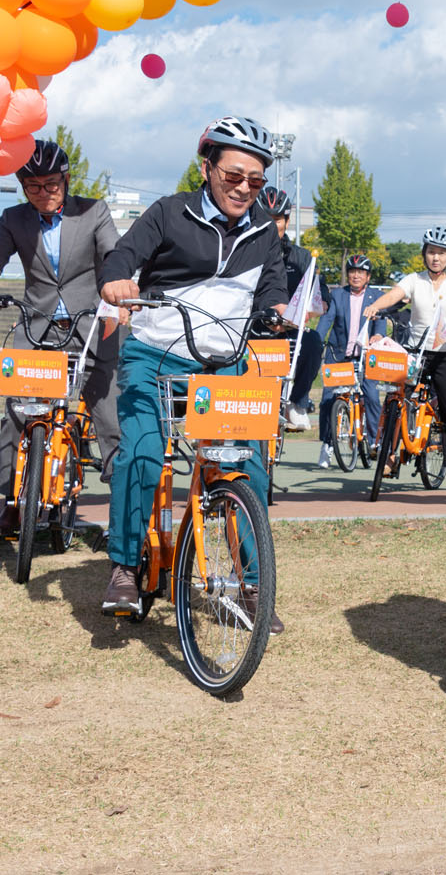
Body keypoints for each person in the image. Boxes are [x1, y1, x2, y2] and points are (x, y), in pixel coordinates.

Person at [97, 115, 287, 631]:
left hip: (225, 363)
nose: (244, 188)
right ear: (207, 168)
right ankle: (124, 567)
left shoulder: (264, 229)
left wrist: (278, 309)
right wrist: (117, 281)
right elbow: (122, 257)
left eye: (255, 181)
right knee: (142, 452)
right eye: (234, 176)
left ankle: (254, 584)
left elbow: (272, 285)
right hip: (156, 355)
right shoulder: (169, 212)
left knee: (248, 466)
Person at [0, 139, 122, 534]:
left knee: (110, 416)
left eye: (52, 184)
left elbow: (112, 254)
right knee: (16, 414)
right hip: (37, 326)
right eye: (33, 186)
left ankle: (124, 509)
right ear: (23, 186)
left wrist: (117, 287)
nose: (43, 193)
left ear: (66, 180)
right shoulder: (13, 218)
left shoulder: (93, 211)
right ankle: (12, 503)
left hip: (92, 326)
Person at [364, 228, 446, 490]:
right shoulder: (414, 280)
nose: (436, 258)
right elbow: (394, 294)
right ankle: (391, 455)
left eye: (441, 253)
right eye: (431, 252)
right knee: (397, 399)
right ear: (424, 254)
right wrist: (375, 306)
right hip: (417, 353)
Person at [259, 185, 325, 432]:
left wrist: (318, 304)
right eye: (265, 218)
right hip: (253, 330)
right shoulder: (243, 252)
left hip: (290, 330)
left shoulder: (301, 257)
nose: (271, 224)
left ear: (286, 221)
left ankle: (296, 402)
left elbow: (319, 291)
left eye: (276, 219)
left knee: (314, 342)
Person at [314, 254, 387, 469]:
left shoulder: (377, 297)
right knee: (328, 399)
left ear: (368, 276)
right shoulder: (338, 294)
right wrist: (316, 341)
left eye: (361, 272)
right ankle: (327, 444)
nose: (356, 276)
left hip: (366, 356)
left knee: (371, 396)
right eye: (352, 271)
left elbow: (380, 322)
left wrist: (378, 335)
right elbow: (326, 320)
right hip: (338, 356)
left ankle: (374, 441)